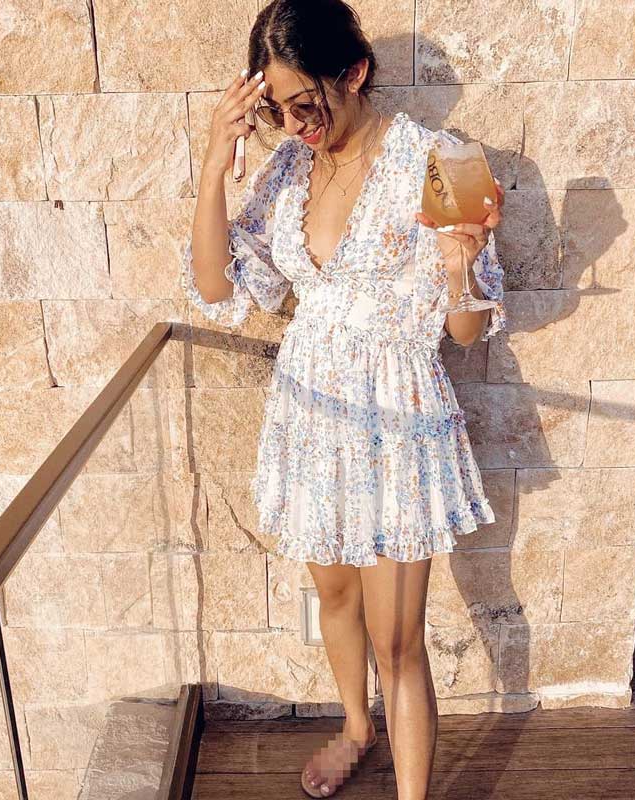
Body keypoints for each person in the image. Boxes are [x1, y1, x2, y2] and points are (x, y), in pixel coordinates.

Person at [180, 2, 506, 797]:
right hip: (310, 410)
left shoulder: (446, 159)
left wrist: (460, 265)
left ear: (354, 73)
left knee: (398, 640)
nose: (294, 126)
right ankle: (357, 728)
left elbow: (466, 331)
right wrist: (214, 162)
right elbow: (217, 285)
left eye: (305, 104)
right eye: (275, 110)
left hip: (397, 419)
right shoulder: (289, 168)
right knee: (333, 593)